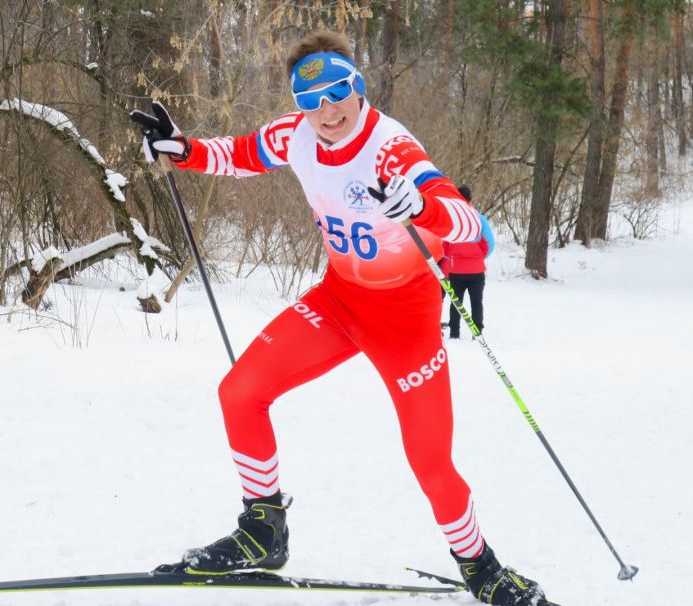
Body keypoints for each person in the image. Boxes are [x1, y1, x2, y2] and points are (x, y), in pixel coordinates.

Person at [130, 31, 550, 606]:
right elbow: (243, 154)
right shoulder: (296, 135)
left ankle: (480, 566)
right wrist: (184, 149)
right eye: (310, 101)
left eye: (336, 93)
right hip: (339, 300)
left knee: (429, 460)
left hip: (406, 321)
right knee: (239, 392)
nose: (326, 112)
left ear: (357, 87)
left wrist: (423, 207)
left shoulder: (391, 148)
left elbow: (473, 227)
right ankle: (262, 531)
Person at [440, 185, 495, 339]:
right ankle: (477, 332)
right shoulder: (479, 219)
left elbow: (444, 246)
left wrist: (454, 258)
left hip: (456, 270)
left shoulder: (451, 219)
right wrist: (478, 257)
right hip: (476, 271)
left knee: (456, 302)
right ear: (470, 199)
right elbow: (490, 244)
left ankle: (454, 332)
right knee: (476, 302)